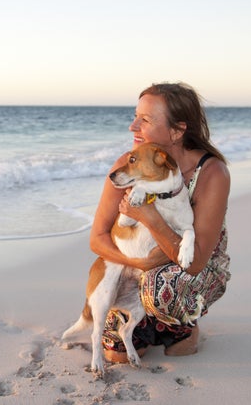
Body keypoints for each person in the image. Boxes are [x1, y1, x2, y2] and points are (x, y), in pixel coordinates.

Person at [89, 82, 231, 360]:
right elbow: (97, 238)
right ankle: (139, 322)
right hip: (137, 269)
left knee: (159, 287)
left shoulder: (212, 173)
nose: (133, 127)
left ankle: (181, 327)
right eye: (134, 116)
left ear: (177, 131)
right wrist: (136, 264)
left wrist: (149, 217)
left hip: (191, 273)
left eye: (145, 120)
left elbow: (197, 261)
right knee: (115, 355)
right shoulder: (127, 166)